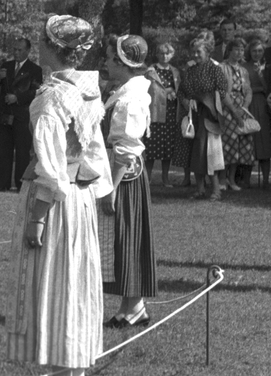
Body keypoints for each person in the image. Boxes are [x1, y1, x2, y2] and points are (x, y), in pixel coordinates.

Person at [7, 15, 114, 376]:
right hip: (79, 199)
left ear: (52, 47)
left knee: (54, 282)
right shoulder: (86, 89)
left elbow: (51, 166)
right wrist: (99, 192)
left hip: (56, 201)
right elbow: (95, 153)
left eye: (42, 40)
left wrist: (37, 215)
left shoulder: (52, 96)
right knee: (76, 282)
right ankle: (75, 375)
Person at [101, 35, 159, 328]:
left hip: (124, 174)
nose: (106, 63)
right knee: (123, 238)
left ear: (122, 62)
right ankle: (130, 306)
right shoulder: (126, 91)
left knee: (127, 237)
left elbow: (126, 146)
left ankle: (134, 306)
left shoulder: (131, 97)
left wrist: (111, 187)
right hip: (121, 170)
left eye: (109, 58)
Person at [178, 30, 236, 201]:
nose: (195, 55)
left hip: (209, 117)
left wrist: (234, 113)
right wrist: (186, 101)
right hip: (193, 117)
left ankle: (216, 190)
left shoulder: (215, 70)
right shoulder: (189, 70)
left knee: (210, 153)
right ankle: (200, 189)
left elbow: (223, 93)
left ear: (208, 52)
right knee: (195, 153)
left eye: (199, 52)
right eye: (193, 52)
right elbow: (181, 92)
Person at [0, 37, 43, 191]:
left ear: (28, 51)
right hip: (5, 115)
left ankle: (21, 184)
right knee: (3, 151)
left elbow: (36, 91)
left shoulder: (34, 70)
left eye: (20, 50)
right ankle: (2, 184)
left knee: (22, 152)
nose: (16, 52)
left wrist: (17, 97)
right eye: (15, 49)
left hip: (22, 116)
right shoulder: (6, 66)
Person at [143, 40, 183, 187]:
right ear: (157, 54)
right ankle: (147, 178)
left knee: (168, 148)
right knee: (152, 147)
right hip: (155, 113)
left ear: (172, 55)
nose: (164, 56)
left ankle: (165, 178)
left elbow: (179, 90)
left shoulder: (175, 71)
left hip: (171, 113)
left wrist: (173, 92)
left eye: (167, 53)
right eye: (161, 53)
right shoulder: (150, 71)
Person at [219, 38, 255, 190]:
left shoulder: (243, 70)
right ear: (229, 50)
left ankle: (232, 179)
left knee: (239, 144)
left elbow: (248, 90)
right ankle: (222, 180)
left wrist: (244, 107)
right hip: (227, 108)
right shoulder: (221, 68)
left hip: (242, 108)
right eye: (236, 49)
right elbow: (222, 92)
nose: (239, 52)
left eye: (241, 50)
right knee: (227, 144)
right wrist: (234, 111)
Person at [245, 37, 270, 188]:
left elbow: (268, 89)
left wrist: (261, 75)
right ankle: (246, 180)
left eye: (260, 51)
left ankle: (266, 180)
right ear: (249, 51)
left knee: (264, 140)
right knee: (249, 139)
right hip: (249, 104)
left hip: (264, 105)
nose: (257, 54)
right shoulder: (244, 66)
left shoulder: (267, 67)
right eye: (254, 51)